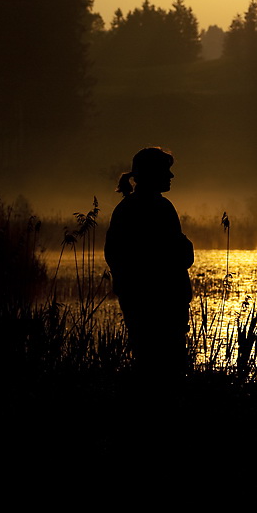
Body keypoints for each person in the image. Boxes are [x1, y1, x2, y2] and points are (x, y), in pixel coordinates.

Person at [104, 147, 194, 382]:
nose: (171, 176)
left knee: (147, 363)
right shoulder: (161, 208)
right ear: (153, 174)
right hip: (164, 303)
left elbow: (114, 255)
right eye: (166, 171)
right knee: (168, 368)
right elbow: (181, 254)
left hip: (137, 302)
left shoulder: (125, 209)